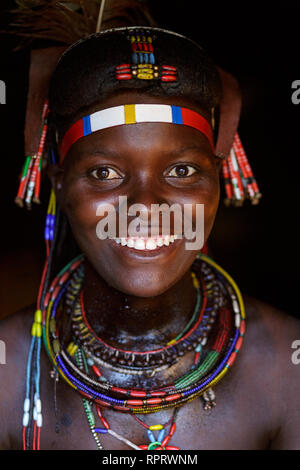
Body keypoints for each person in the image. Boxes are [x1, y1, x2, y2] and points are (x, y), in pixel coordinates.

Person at [1, 12, 300, 451]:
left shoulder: (286, 367)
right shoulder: (8, 370)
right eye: (104, 173)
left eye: (181, 170)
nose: (144, 207)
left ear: (218, 179)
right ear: (60, 183)